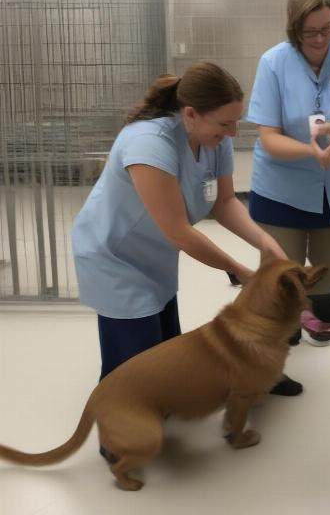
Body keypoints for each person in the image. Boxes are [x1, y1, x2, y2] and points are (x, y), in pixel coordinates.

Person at [72, 61, 301, 396]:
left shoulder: (213, 138)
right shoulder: (149, 144)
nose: (233, 132)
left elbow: (224, 202)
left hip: (154, 251)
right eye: (225, 123)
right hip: (114, 256)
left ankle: (160, 409)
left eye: (236, 122)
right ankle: (116, 442)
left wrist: (265, 242)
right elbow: (179, 231)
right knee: (133, 366)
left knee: (164, 354)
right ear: (191, 114)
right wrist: (238, 270)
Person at [246, 0, 330, 346]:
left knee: (327, 279)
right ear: (294, 31)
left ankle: (317, 322)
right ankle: (284, 332)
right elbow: (269, 137)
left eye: (328, 29)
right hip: (280, 190)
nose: (321, 40)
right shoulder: (274, 63)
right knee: (281, 281)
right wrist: (310, 150)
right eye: (310, 33)